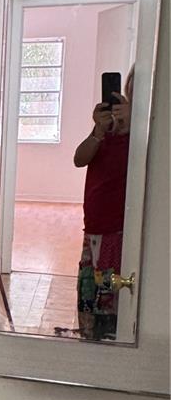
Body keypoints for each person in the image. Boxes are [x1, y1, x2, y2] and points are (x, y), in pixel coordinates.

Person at [73, 67, 133, 340]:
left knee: (115, 299)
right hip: (94, 228)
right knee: (90, 292)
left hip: (121, 231)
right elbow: (79, 158)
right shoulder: (105, 131)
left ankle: (111, 341)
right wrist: (98, 130)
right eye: (127, 90)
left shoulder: (143, 135)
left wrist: (132, 126)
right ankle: (90, 338)